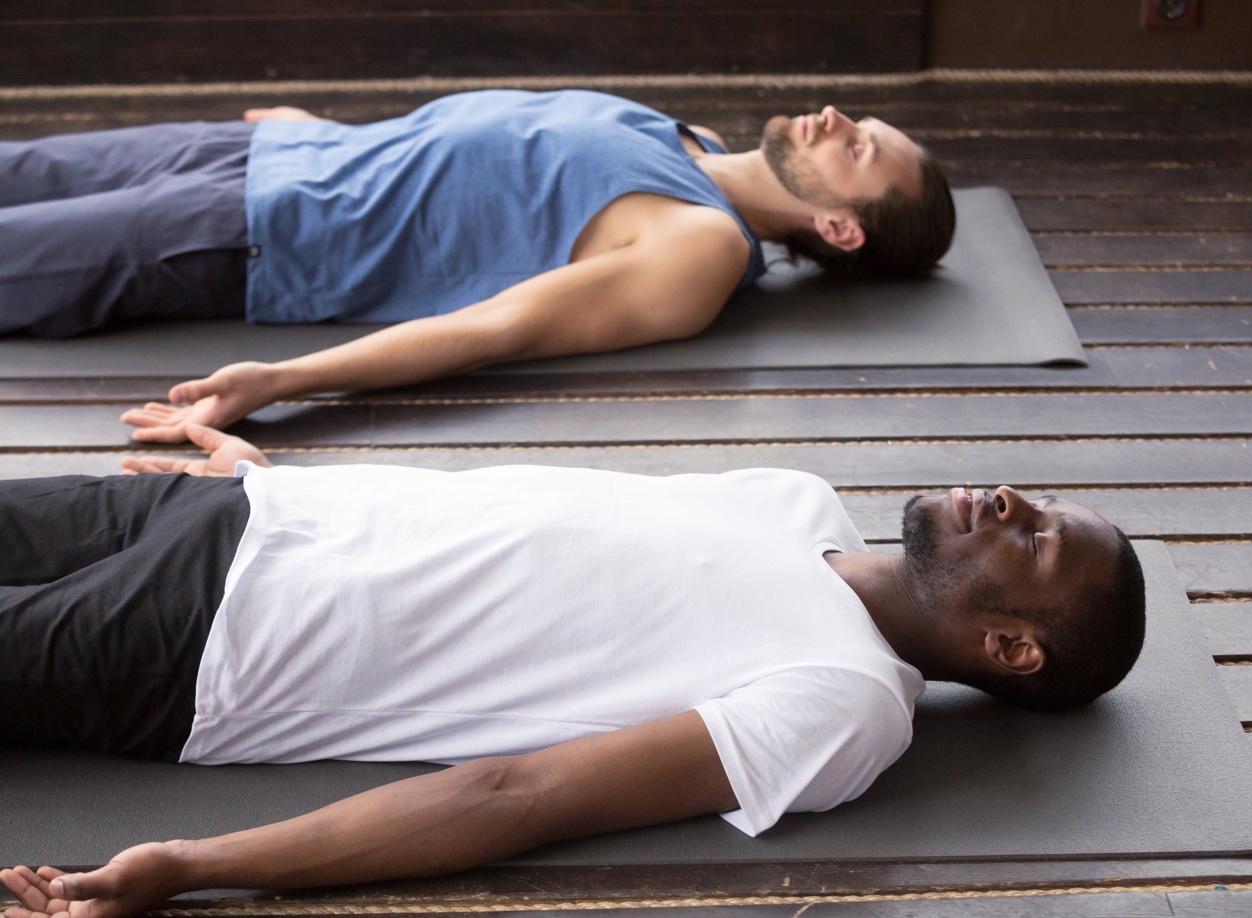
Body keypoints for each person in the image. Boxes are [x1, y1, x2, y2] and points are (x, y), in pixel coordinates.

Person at [1, 423, 1143, 918]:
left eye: (1034, 537)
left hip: (214, 639)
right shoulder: (800, 500)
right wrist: (290, 482)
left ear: (1009, 647)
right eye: (1036, 501)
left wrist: (190, 865)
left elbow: (520, 797)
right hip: (240, 511)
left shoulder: (846, 703)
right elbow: (515, 518)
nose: (1009, 498)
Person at [0, 90, 956, 444]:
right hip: (266, 158)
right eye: (859, 123)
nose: (837, 118)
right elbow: (481, 160)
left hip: (258, 228)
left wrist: (281, 382)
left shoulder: (697, 246)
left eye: (860, 149)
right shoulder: (686, 138)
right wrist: (334, 135)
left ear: (839, 229)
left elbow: (493, 328)